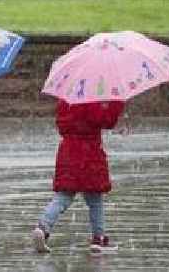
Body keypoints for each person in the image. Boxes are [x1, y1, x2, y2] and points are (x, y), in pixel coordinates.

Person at [32, 98, 125, 254]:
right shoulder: (91, 97)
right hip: (89, 153)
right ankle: (98, 238)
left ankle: (43, 226)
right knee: (95, 200)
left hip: (67, 152)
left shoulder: (66, 98)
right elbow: (107, 121)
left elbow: (61, 123)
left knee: (63, 196)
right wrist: (117, 102)